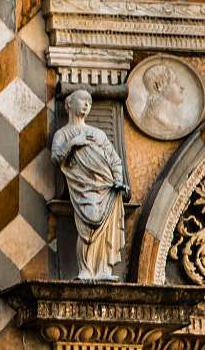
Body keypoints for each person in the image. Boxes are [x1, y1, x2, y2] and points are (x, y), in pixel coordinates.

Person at [51, 90, 126, 281]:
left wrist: (118, 180)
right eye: (82, 100)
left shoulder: (97, 134)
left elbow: (115, 160)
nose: (87, 105)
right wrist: (74, 143)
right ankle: (85, 269)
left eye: (90, 102)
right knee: (89, 225)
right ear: (69, 103)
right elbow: (56, 157)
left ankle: (102, 270)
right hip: (83, 187)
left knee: (105, 229)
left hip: (106, 186)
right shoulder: (63, 134)